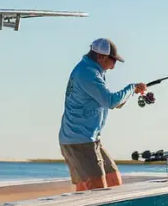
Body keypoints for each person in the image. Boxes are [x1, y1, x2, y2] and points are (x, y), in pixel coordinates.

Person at [58, 38, 147, 191]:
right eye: (113, 61)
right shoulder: (88, 73)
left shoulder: (91, 70)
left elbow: (107, 102)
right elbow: (110, 101)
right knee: (97, 188)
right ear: (101, 57)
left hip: (88, 138)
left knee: (113, 179)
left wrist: (130, 93)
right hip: (80, 140)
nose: (114, 66)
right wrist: (131, 88)